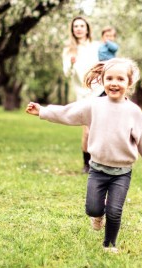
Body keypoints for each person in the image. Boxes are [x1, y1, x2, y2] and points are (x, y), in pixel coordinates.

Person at [26, 58, 142, 253]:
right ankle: (97, 214)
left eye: (120, 79)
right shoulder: (94, 105)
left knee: (114, 212)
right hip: (97, 170)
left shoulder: (133, 112)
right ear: (102, 80)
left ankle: (109, 245)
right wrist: (43, 111)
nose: (114, 83)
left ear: (129, 83)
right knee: (92, 208)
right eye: (109, 78)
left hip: (121, 173)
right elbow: (68, 113)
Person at [62, 16, 102, 174]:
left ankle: (100, 162)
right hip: (83, 94)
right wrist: (71, 63)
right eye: (76, 26)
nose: (78, 28)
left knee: (99, 129)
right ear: (72, 30)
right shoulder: (68, 50)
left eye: (81, 26)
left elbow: (104, 65)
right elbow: (67, 73)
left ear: (87, 29)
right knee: (87, 130)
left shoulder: (96, 46)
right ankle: (87, 164)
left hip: (99, 91)